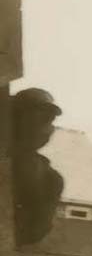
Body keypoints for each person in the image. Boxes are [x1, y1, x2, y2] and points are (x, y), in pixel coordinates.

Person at [10, 87, 65, 246]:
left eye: (49, 119)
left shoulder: (50, 179)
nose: (47, 126)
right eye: (41, 117)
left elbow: (33, 233)